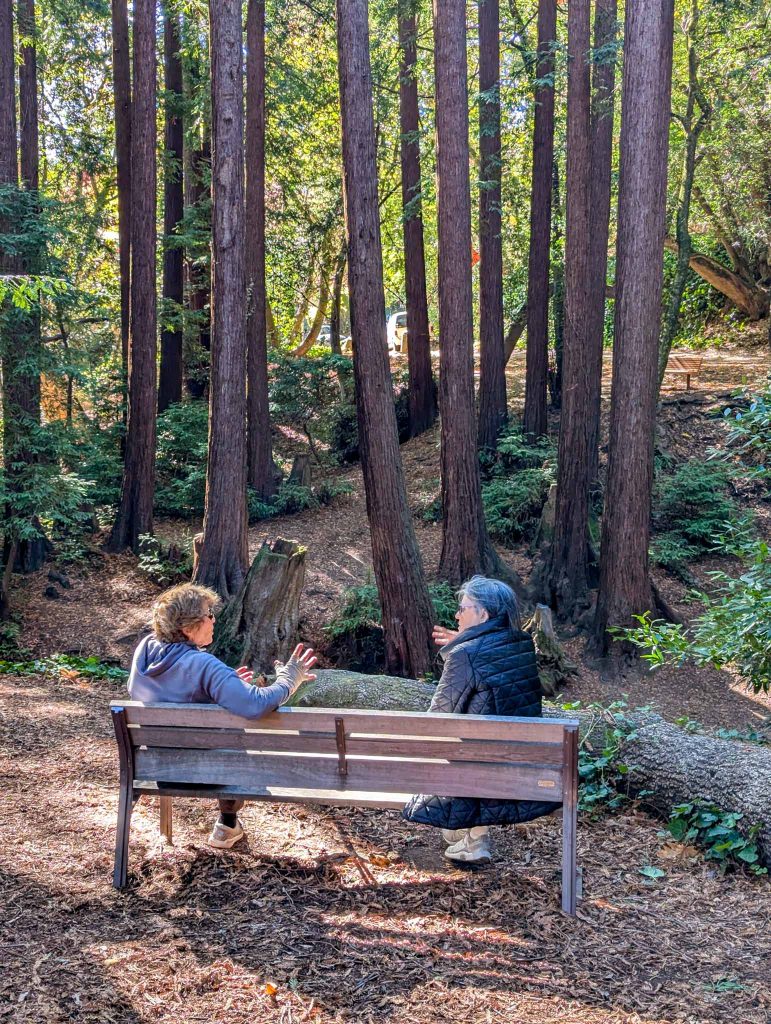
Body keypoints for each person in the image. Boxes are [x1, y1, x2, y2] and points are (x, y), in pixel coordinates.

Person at [127, 582, 317, 850]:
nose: (214, 620)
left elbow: (174, 690)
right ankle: (227, 822)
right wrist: (290, 678)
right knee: (233, 744)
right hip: (207, 771)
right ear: (188, 627)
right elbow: (256, 705)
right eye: (209, 614)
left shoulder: (144, 652)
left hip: (158, 769)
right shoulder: (202, 664)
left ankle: (228, 825)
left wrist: (219, 688)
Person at [403, 575, 555, 864]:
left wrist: (459, 652)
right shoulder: (523, 646)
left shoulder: (465, 655)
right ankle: (471, 836)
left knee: (461, 748)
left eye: (463, 608)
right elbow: (491, 665)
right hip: (519, 768)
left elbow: (438, 719)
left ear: (483, 615)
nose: (457, 615)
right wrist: (462, 646)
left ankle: (471, 838)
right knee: (482, 747)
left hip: (474, 768)